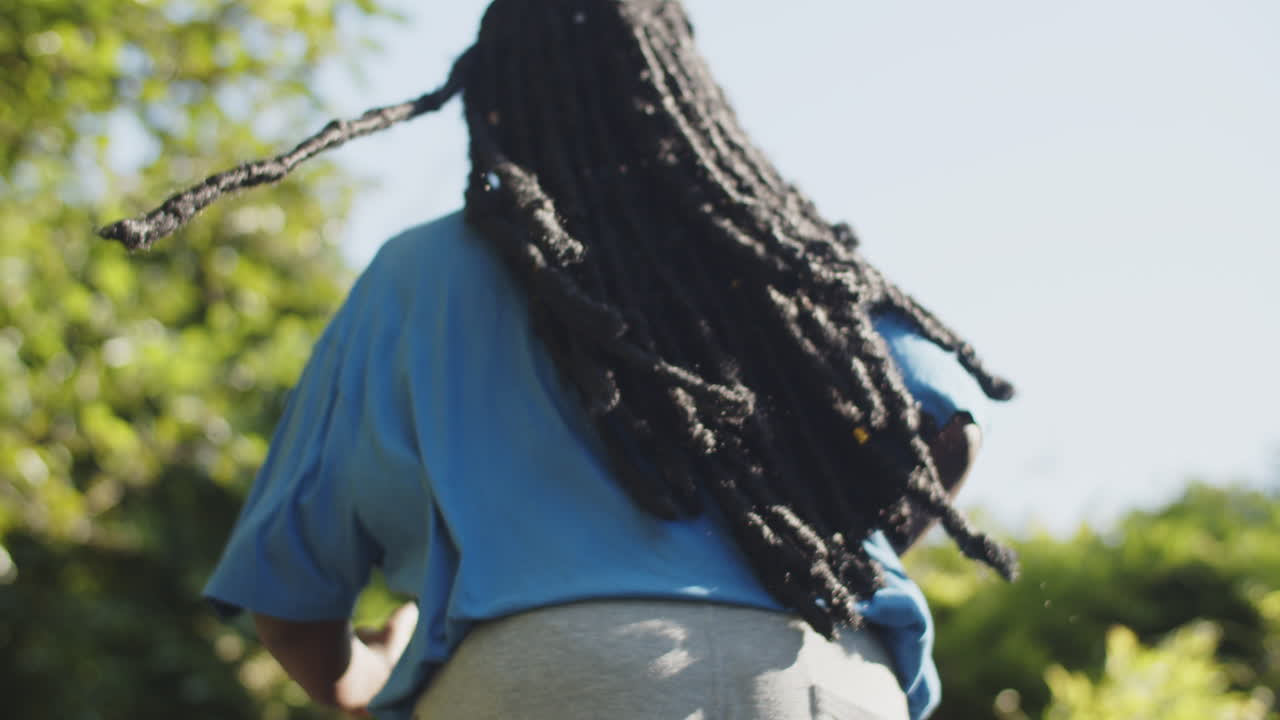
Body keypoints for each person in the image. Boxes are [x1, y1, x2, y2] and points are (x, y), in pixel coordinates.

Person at [100, 1, 1016, 718]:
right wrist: (810, 546)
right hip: (830, 676)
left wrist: (363, 675)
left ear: (499, 100)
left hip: (547, 684)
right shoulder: (779, 262)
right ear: (684, 88)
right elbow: (944, 428)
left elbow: (294, 596)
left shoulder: (420, 273)